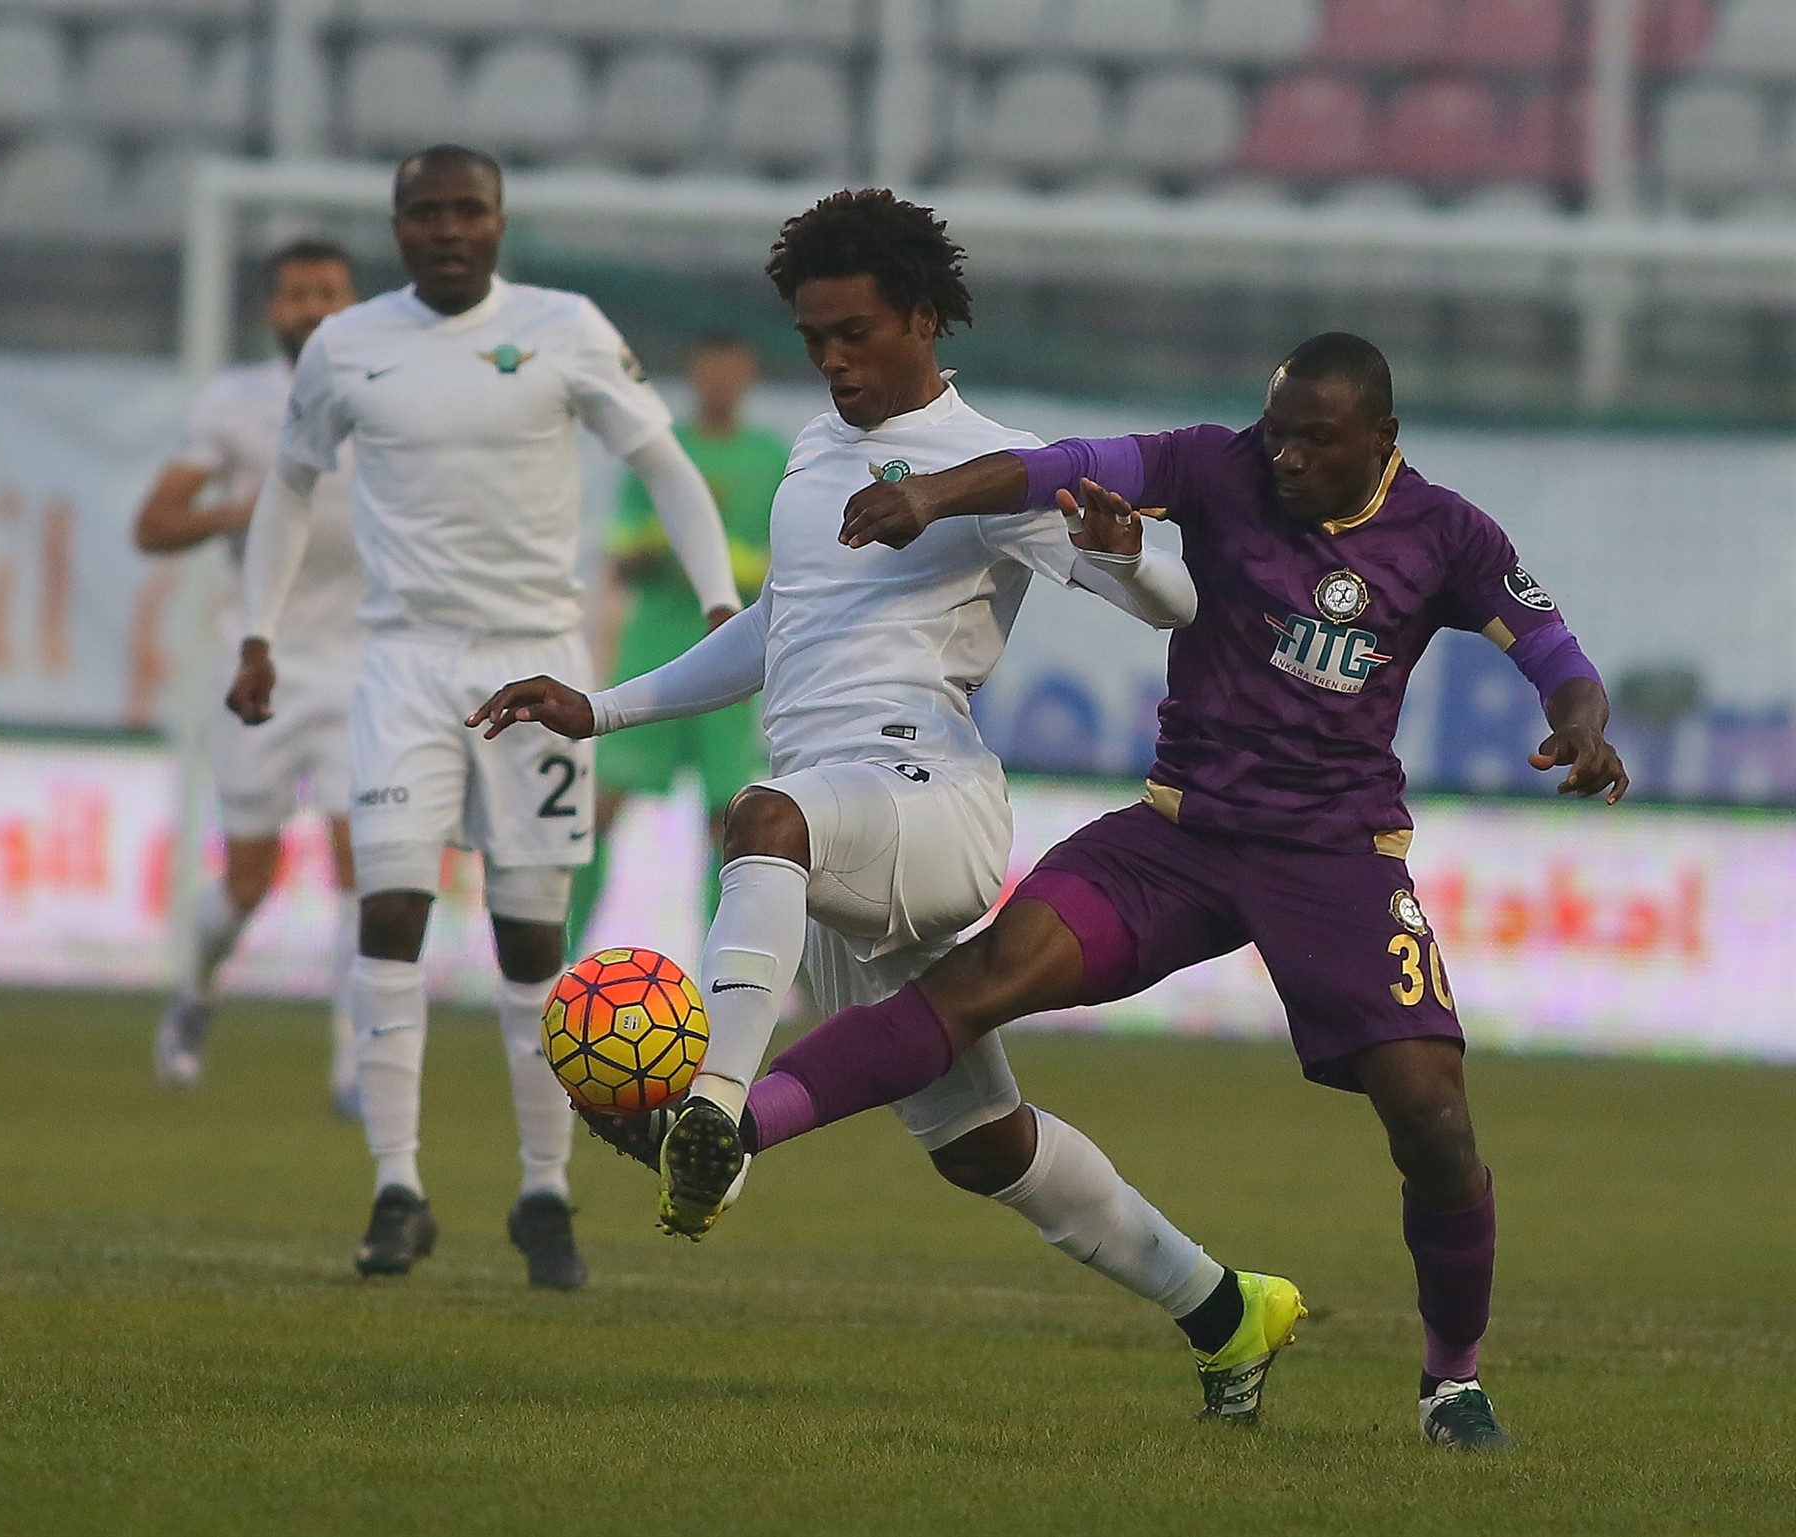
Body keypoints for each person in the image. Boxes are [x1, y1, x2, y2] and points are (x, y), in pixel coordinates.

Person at [470, 190, 1309, 1425]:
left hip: (926, 800)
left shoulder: (999, 463)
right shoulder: (813, 456)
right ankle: (1228, 1308)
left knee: (759, 816)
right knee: (981, 1143)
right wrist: (597, 708)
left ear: (922, 317)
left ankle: (712, 1115)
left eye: (855, 333)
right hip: (837, 837)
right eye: (814, 338)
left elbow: (1175, 605)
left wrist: (1125, 548)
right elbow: (779, 629)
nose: (833, 360)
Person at [718, 332, 1632, 1450]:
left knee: (1432, 1114)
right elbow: (1065, 465)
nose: (1285, 458)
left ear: (1382, 440)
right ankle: (736, 1126)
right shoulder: (1216, 462)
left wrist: (1582, 727)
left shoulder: (1447, 532)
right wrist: (934, 493)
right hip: (1179, 837)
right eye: (1277, 432)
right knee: (984, 979)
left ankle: (1454, 1382)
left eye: (1315, 441)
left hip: (1336, 857)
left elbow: (1550, 647)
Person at [227, 145, 740, 1289]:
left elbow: (664, 462)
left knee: (529, 941)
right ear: (398, 226)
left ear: (500, 222)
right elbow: (290, 485)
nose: (450, 228)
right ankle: (395, 1187)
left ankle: (543, 1193)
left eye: (470, 210)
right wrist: (258, 630)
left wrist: (718, 603)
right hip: (403, 662)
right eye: (428, 212)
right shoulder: (348, 344)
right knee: (390, 910)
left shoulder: (565, 327)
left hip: (533, 664)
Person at [136, 237, 363, 1110]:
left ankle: (355, 1061)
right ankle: (194, 994)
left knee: (364, 861)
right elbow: (154, 522)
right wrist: (239, 509)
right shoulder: (235, 403)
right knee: (248, 879)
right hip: (260, 662)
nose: (312, 307)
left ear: (354, 302)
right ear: (272, 309)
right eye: (297, 293)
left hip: (365, 664)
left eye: (328, 291)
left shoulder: (388, 392)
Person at [569, 335, 785, 945]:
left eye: (732, 370)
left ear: (749, 375)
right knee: (599, 808)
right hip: (654, 651)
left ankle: (723, 967)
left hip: (736, 654)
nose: (720, 382)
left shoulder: (772, 458)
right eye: (710, 369)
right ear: (692, 372)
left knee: (731, 820)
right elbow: (621, 554)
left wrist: (722, 562)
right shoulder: (661, 451)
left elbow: (785, 565)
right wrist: (663, 546)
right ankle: (562, 959)